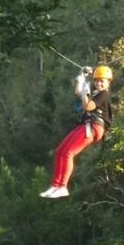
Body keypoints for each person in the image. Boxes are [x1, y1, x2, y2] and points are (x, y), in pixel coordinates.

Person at [40, 65, 113, 198]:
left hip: (94, 127)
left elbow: (88, 106)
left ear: (108, 82)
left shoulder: (104, 94)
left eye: (102, 81)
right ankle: (55, 185)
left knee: (68, 153)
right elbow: (78, 92)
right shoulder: (97, 93)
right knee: (60, 151)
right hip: (86, 125)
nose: (98, 83)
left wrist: (86, 90)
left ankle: (62, 186)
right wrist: (81, 79)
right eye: (96, 80)